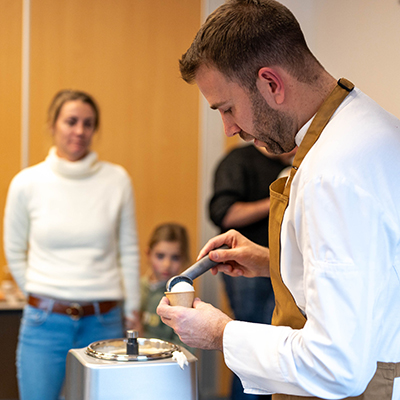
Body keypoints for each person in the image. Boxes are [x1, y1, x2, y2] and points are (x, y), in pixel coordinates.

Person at [156, 1, 400, 399]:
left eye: (228, 108)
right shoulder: (371, 129)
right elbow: (378, 270)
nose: (230, 127)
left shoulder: (332, 172)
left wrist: (222, 334)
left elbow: (336, 366)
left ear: (271, 83)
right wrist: (275, 261)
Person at [3, 89, 140, 400]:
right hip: (44, 323)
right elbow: (13, 249)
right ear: (53, 125)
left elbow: (128, 250)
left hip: (105, 322)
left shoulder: (117, 180)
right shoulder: (27, 183)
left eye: (88, 124)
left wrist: (132, 308)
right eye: (71, 121)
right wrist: (38, 293)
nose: (80, 131)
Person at [209, 144, 295, 400]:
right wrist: (279, 201)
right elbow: (223, 213)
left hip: (287, 267)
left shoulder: (300, 162)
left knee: (281, 348)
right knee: (249, 350)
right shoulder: (238, 161)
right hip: (248, 272)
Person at [138, 222, 190, 346]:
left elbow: (184, 350)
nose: (167, 264)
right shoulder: (136, 289)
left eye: (175, 257)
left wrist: (140, 336)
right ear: (148, 254)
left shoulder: (183, 299)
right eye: (160, 256)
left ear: (184, 258)